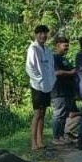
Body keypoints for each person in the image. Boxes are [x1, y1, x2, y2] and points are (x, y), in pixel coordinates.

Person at [25, 24, 55, 153]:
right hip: (37, 85)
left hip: (48, 85)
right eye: (40, 33)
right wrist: (39, 79)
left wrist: (52, 80)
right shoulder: (33, 48)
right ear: (36, 34)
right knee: (37, 113)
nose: (43, 36)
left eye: (45, 33)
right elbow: (30, 67)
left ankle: (40, 140)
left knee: (43, 113)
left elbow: (51, 67)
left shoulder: (47, 50)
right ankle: (33, 143)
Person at [50, 35, 77, 145]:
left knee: (65, 115)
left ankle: (61, 136)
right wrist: (71, 72)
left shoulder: (64, 59)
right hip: (58, 91)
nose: (67, 48)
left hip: (68, 91)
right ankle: (56, 137)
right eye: (65, 45)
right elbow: (56, 72)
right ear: (57, 45)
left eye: (67, 46)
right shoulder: (54, 58)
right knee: (59, 114)